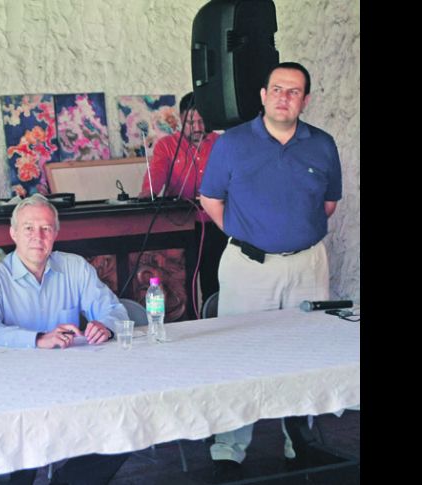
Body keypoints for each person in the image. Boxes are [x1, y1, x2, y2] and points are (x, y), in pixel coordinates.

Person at [199, 62, 342, 478]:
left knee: (306, 354)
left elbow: (328, 203)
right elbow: (211, 199)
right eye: (277, 89)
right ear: (263, 95)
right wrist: (248, 235)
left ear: (305, 100)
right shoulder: (232, 143)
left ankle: (299, 444)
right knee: (239, 354)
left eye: (294, 91)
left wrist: (291, 237)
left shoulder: (322, 144)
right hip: (249, 267)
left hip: (307, 264)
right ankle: (228, 449)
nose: (284, 97)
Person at [0, 193, 129, 484]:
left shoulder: (75, 267)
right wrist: (37, 339)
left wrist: (105, 326)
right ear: (13, 233)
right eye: (28, 228)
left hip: (71, 384)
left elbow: (115, 311)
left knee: (121, 426)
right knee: (18, 453)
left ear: (55, 234)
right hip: (10, 389)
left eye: (46, 228)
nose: (38, 236)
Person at [138, 92, 226, 307]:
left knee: (215, 284)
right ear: (180, 119)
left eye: (202, 122)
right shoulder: (167, 146)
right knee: (182, 287)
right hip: (181, 226)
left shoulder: (222, 143)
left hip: (217, 224)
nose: (197, 128)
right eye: (191, 122)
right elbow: (156, 174)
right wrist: (147, 193)